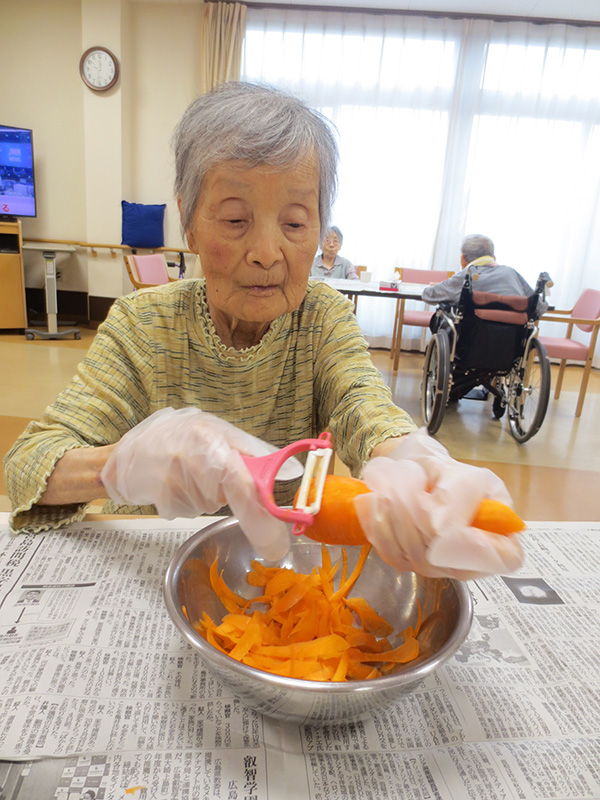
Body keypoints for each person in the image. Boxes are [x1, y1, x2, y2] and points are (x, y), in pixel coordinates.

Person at [3, 82, 521, 579]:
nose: (268, 253)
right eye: (235, 220)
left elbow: (363, 407)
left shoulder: (322, 318)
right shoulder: (143, 325)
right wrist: (117, 467)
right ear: (188, 221)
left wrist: (413, 461)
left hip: (284, 570)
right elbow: (26, 465)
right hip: (155, 569)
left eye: (294, 224)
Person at [422, 234, 549, 316]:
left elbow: (429, 295)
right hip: (512, 341)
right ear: (493, 257)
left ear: (463, 258)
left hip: (471, 339)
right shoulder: (511, 272)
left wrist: (434, 286)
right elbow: (539, 307)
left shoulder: (467, 276)